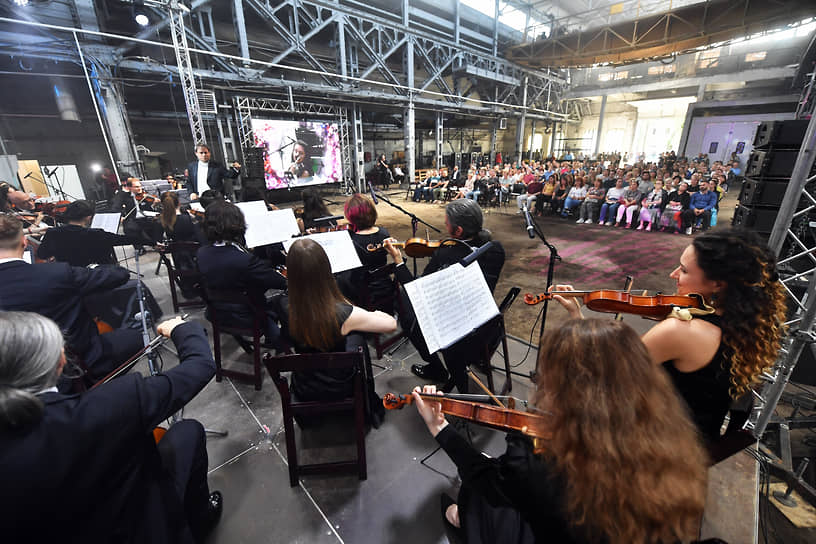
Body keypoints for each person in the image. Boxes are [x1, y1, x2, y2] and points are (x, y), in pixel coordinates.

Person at [413, 318, 708, 543]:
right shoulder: (661, 430)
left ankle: (461, 519)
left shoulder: (535, 461)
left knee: (474, 494)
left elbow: (490, 481)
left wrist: (440, 428)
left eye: (544, 377)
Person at [0, 312, 223, 543]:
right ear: (60, 362)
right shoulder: (110, 405)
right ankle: (200, 520)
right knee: (189, 431)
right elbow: (200, 365)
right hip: (137, 531)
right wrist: (181, 329)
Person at [551, 228, 787, 445]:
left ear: (717, 284)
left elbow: (600, 373)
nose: (673, 274)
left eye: (684, 270)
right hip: (693, 447)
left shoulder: (681, 331)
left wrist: (575, 318)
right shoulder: (744, 326)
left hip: (652, 452)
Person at [0, 214, 143, 382]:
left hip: (13, 375)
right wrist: (94, 267)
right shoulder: (56, 273)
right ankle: (97, 385)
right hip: (77, 363)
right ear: (24, 242)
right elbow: (119, 275)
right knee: (135, 338)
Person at [384, 199, 505, 393]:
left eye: (447, 222)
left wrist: (398, 261)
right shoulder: (496, 249)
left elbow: (416, 289)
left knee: (406, 313)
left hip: (457, 331)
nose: (445, 224)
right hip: (487, 322)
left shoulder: (446, 255)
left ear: (457, 231)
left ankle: (437, 369)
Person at [278, 238, 396, 402]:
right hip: (339, 385)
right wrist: (373, 312)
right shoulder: (342, 313)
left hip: (305, 384)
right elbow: (391, 324)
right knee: (357, 337)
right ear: (326, 269)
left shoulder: (283, 304)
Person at [196, 201, 287, 348]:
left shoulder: (202, 253)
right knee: (282, 299)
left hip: (217, 313)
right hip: (249, 316)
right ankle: (282, 342)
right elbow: (281, 282)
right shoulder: (244, 260)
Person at [337, 194, 395, 314]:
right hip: (385, 284)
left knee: (338, 278)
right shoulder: (384, 233)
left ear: (351, 216)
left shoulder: (351, 240)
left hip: (362, 290)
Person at [36, 199, 134, 266]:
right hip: (99, 276)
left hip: (71, 279)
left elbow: (42, 254)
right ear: (88, 217)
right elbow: (123, 239)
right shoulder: (96, 234)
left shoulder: (52, 233)